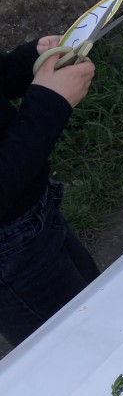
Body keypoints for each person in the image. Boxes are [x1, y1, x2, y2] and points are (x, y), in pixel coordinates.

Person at [0, 38, 99, 346]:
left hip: (35, 209)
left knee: (103, 306)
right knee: (85, 350)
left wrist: (31, 61)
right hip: (11, 254)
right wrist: (48, 103)